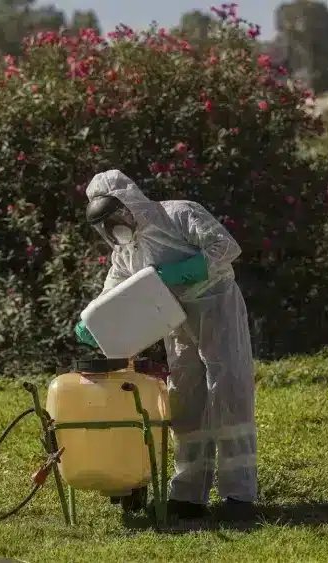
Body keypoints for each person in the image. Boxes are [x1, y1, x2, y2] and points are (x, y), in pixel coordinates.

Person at [74, 169, 258, 520]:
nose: (112, 229)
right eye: (103, 226)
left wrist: (185, 270)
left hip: (216, 304)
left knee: (228, 390)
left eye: (114, 218)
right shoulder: (125, 250)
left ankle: (239, 495)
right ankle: (188, 495)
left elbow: (226, 247)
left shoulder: (178, 213)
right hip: (174, 317)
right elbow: (114, 286)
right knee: (185, 400)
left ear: (128, 204)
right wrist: (91, 320)